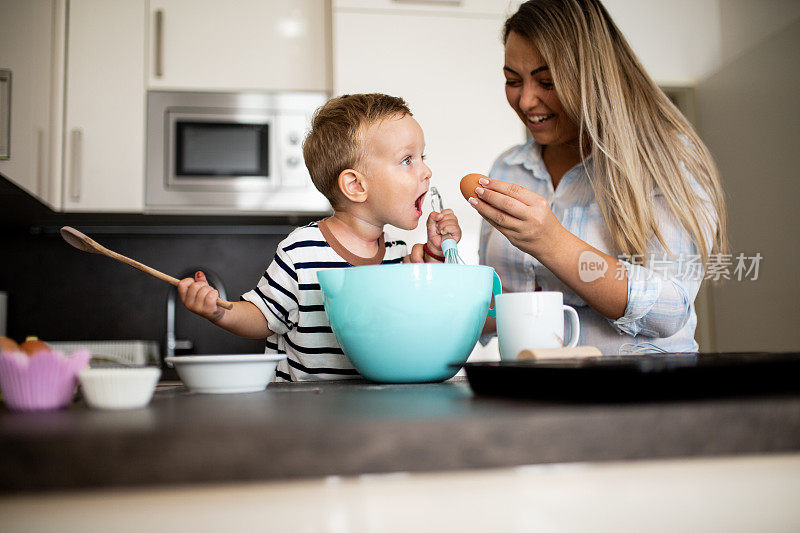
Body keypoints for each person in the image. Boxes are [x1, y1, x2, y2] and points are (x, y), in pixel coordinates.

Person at [472, 0, 728, 354]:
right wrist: (445, 277)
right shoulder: (509, 168)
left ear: (590, 76)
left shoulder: (665, 159)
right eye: (513, 81)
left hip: (639, 401)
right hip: (532, 400)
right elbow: (495, 311)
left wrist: (551, 241)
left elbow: (670, 308)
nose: (527, 100)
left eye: (547, 81)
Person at [178, 94, 462, 381]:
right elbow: (263, 316)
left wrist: (436, 255)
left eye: (422, 157)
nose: (426, 171)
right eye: (407, 160)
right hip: (305, 414)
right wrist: (219, 311)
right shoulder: (301, 252)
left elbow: (416, 323)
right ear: (355, 185)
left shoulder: (397, 253)